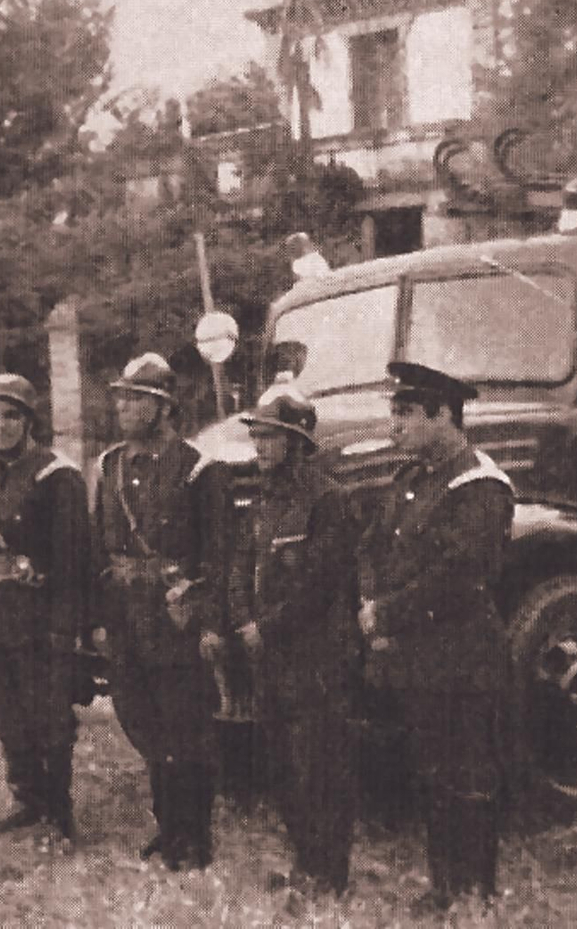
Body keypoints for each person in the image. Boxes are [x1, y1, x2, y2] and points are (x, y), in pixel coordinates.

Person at [358, 361, 513, 914]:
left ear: (444, 415)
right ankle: (445, 883)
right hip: (419, 655)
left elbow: (462, 575)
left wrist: (388, 613)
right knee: (431, 771)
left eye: (405, 414)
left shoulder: (480, 485)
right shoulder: (410, 479)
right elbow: (372, 547)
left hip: (465, 656)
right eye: (393, 413)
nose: (393, 427)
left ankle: (476, 890)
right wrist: (370, 603)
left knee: (469, 774)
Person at [91, 352, 231, 870]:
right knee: (140, 719)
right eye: (122, 398)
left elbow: (218, 553)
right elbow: (97, 546)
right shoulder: (110, 464)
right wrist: (98, 619)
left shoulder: (198, 469)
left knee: (184, 728)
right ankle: (168, 824)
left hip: (175, 617)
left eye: (134, 399)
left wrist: (209, 619)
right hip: (125, 615)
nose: (123, 407)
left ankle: (193, 835)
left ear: (161, 407)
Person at [230, 376, 364, 903]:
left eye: (269, 437)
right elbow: (244, 566)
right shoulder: (264, 500)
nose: (259, 446)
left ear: (297, 443)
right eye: (257, 437)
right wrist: (243, 618)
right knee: (281, 766)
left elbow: (321, 584)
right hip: (270, 657)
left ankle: (328, 875)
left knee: (321, 769)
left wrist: (266, 627)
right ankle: (305, 864)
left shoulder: (329, 501)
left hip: (315, 659)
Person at [0, 373, 90, 841]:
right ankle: (27, 799)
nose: (1, 425)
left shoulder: (57, 476)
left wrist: (63, 628)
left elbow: (72, 561)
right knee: (1, 709)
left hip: (34, 617)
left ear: (29, 420)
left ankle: (58, 809)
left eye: (11, 415)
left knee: (47, 715)